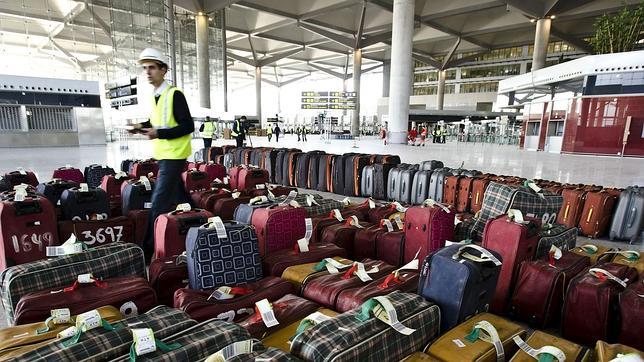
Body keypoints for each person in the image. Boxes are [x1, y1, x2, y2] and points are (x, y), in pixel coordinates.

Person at [130, 48, 194, 261]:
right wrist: (141, 126)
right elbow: (157, 121)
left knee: (158, 202)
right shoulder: (156, 96)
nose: (147, 72)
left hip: (175, 156)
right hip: (165, 155)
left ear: (163, 70)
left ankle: (147, 250)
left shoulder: (174, 94)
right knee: (181, 198)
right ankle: (202, 223)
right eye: (145, 68)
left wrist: (159, 133)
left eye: (152, 68)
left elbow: (187, 126)